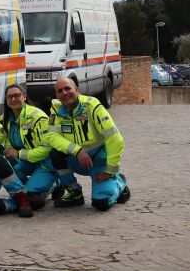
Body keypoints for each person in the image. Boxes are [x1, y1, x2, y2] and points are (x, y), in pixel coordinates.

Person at [45, 76, 130, 211]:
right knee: (54, 154)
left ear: (76, 89)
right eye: (60, 91)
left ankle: (120, 184)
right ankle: (75, 193)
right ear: (57, 95)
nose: (64, 93)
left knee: (101, 203)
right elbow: (52, 136)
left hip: (99, 161)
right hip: (77, 159)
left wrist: (110, 170)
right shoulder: (56, 109)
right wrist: (77, 150)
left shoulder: (92, 105)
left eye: (67, 88)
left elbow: (115, 138)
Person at [0, 82, 58, 212]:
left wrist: (19, 154)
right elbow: (11, 146)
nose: (13, 99)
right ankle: (26, 189)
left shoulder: (38, 117)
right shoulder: (9, 119)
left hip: (44, 163)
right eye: (9, 97)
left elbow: (46, 149)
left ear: (24, 96)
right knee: (7, 164)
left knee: (34, 199)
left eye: (17, 95)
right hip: (27, 161)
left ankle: (55, 185)